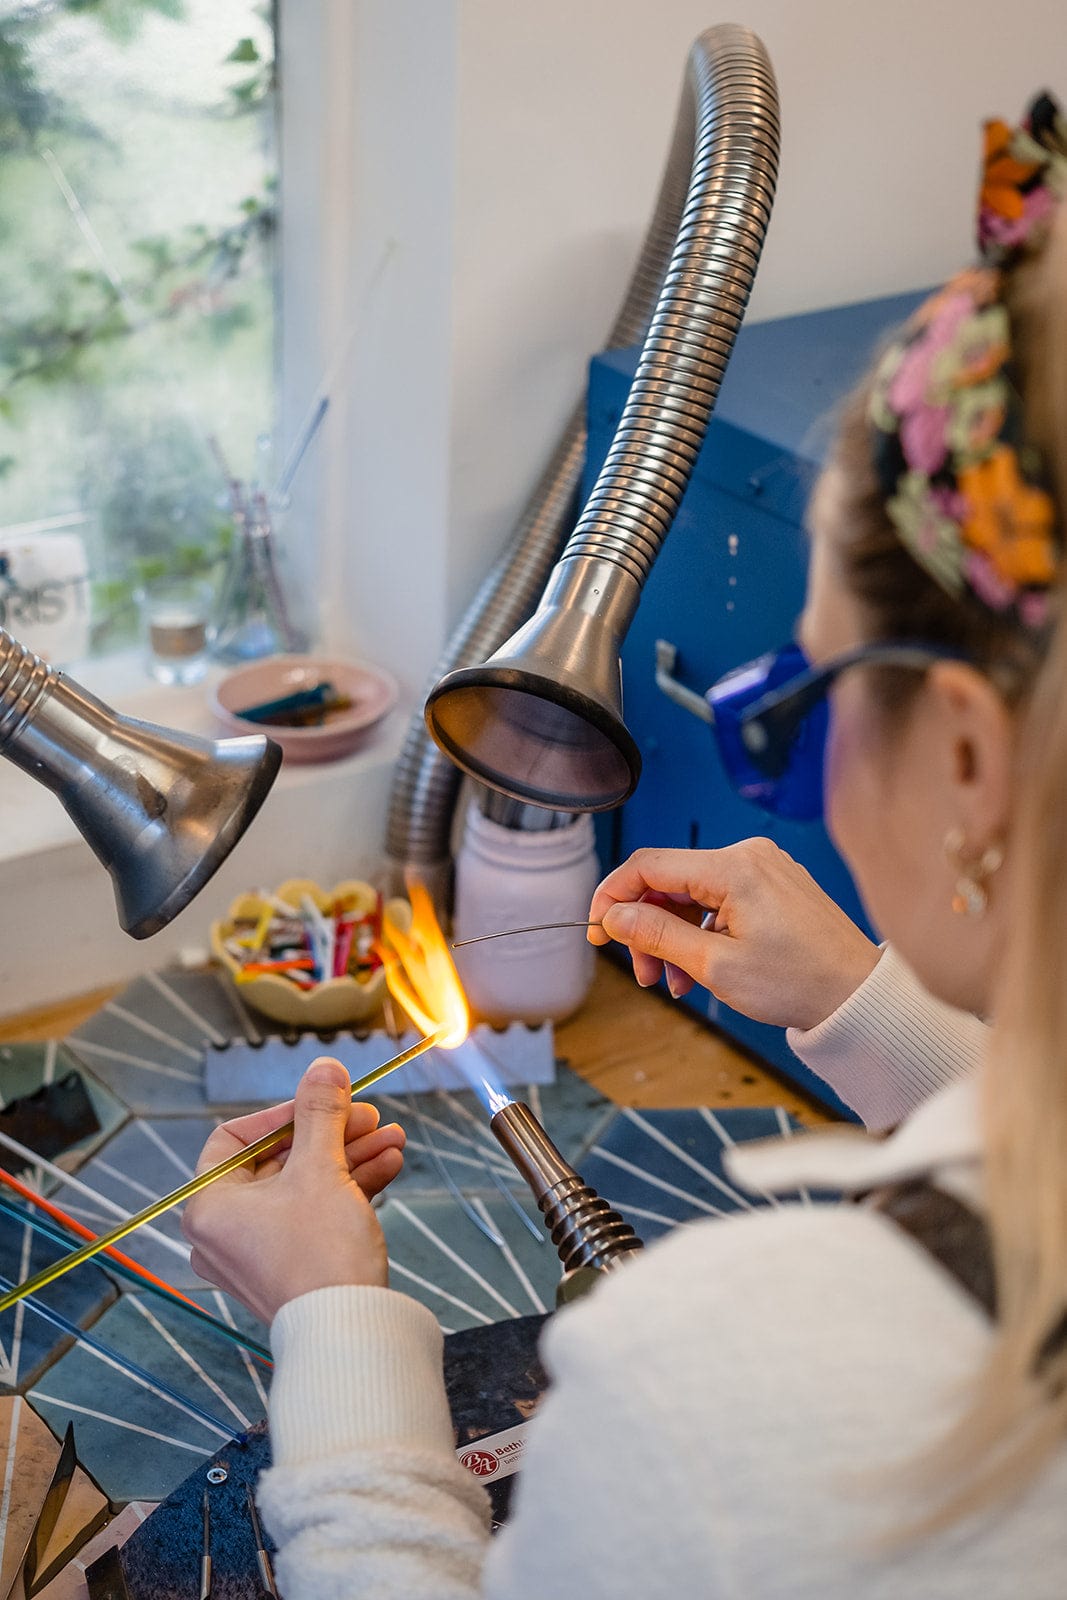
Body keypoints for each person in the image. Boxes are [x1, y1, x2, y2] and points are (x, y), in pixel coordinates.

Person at [184, 94, 1067, 1596]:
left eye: (797, 700)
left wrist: (332, 1323)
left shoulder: (712, 1390)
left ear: (972, 754)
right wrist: (876, 1012)